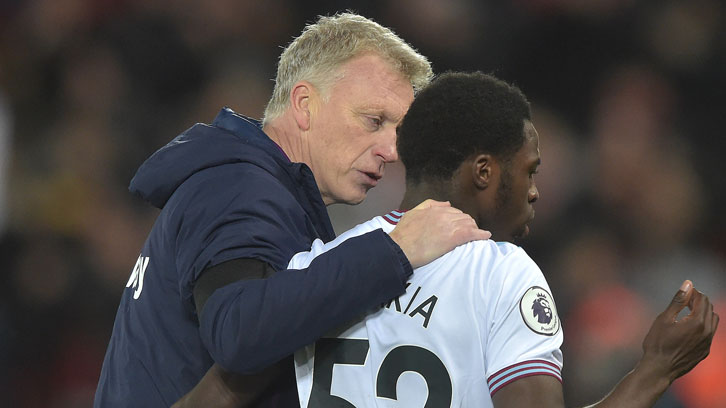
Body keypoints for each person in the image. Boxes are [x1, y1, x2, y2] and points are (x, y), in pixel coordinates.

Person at [176, 72, 719, 407]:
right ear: (483, 172)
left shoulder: (323, 263)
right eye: (529, 171)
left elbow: (215, 396)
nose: (535, 192)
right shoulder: (502, 271)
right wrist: (656, 369)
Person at [94, 14, 490, 407]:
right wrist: (396, 249)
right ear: (304, 104)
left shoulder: (256, 188)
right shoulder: (241, 188)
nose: (391, 150)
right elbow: (238, 332)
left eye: (398, 132)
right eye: (374, 121)